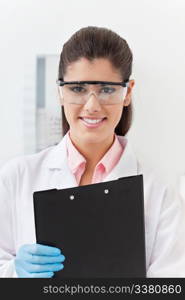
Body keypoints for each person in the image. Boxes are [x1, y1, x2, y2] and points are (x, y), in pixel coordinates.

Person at [0, 26, 185, 278]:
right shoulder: (16, 177)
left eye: (107, 89)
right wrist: (14, 274)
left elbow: (171, 282)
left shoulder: (159, 189)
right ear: (60, 92)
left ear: (127, 92)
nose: (92, 105)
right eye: (77, 89)